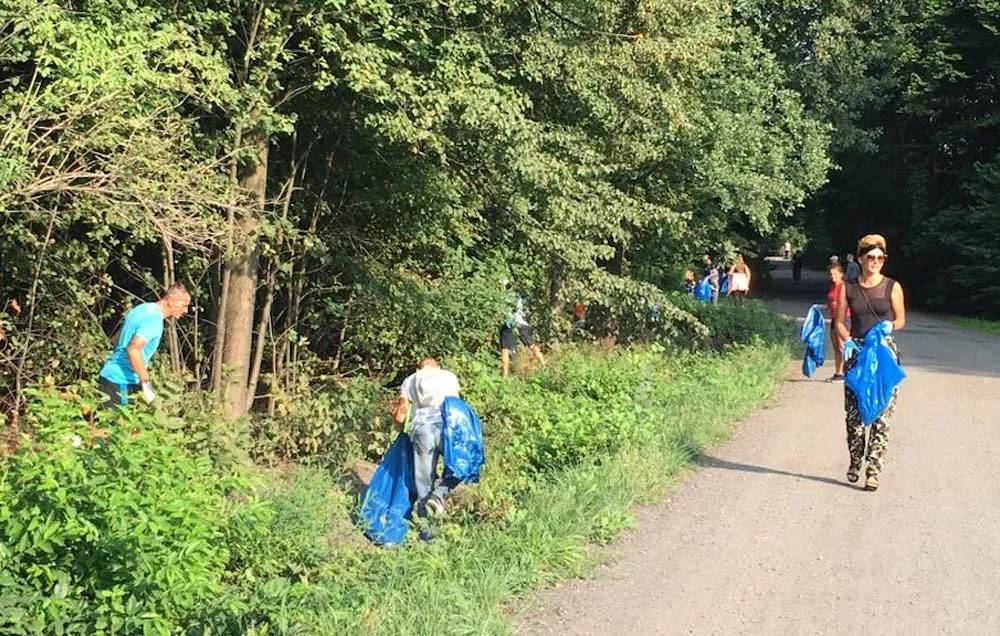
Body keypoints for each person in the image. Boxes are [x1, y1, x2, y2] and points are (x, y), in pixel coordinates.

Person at [833, 234, 906, 491]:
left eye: (880, 258)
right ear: (861, 259)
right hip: (857, 353)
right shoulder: (848, 287)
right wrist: (847, 341)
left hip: (884, 354)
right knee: (854, 414)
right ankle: (856, 460)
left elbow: (901, 319)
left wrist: (890, 326)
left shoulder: (892, 287)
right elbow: (839, 321)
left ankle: (873, 470)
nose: (875, 261)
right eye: (871, 257)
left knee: (882, 413)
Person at [97, 284, 190, 407]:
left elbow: (116, 338)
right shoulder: (154, 320)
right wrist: (146, 384)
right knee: (121, 419)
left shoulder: (143, 308)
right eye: (184, 305)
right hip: (121, 381)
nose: (186, 311)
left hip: (110, 377)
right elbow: (133, 349)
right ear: (170, 301)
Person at [393, 357, 462, 518]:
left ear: (419, 369)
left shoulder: (410, 380)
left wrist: (398, 428)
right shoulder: (449, 376)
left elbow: (401, 413)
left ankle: (426, 529)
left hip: (422, 430)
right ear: (438, 366)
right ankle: (440, 493)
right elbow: (457, 405)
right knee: (461, 464)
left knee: (424, 482)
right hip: (447, 429)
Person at [499, 279, 545, 377]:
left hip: (510, 325)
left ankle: (504, 376)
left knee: (505, 349)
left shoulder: (502, 297)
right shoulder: (517, 296)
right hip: (522, 323)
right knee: (532, 345)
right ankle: (543, 365)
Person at [825, 262, 849, 382]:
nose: (832, 276)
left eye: (835, 274)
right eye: (831, 274)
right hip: (834, 318)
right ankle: (838, 373)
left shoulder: (843, 286)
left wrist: (838, 305)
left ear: (841, 274)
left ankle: (847, 373)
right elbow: (830, 301)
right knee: (836, 347)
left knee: (842, 347)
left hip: (844, 318)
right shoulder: (832, 286)